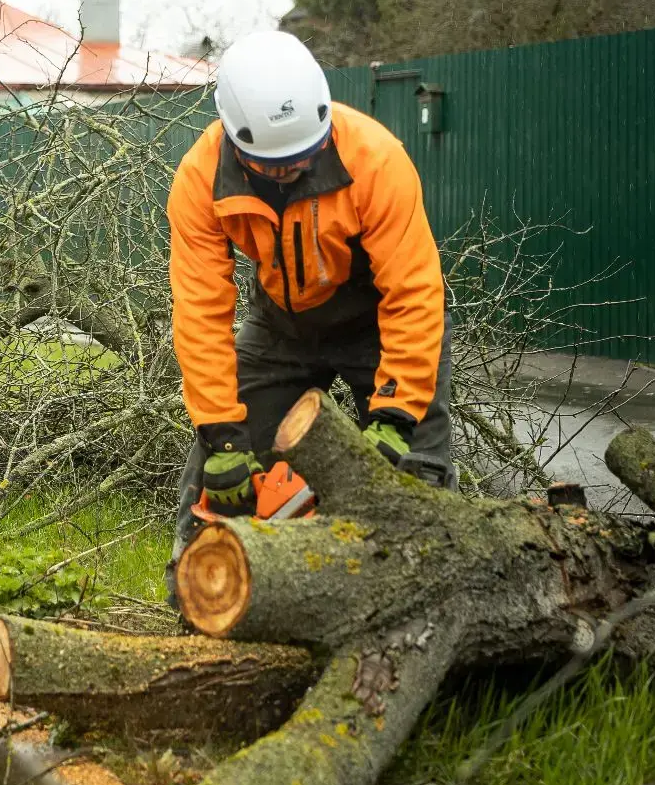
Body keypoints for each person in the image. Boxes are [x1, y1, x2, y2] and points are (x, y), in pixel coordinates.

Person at [165, 30, 454, 584]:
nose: (292, 170)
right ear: (235, 139)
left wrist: (396, 415)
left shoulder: (375, 159)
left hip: (379, 322)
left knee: (418, 477)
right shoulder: (201, 179)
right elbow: (201, 311)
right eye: (275, 164)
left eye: (303, 157)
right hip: (281, 324)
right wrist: (221, 433)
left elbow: (414, 293)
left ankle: (433, 597)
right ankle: (198, 595)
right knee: (217, 475)